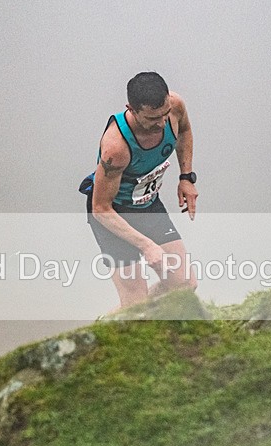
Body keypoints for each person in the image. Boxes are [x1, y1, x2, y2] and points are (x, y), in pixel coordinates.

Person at [80, 72, 199, 309]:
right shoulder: (116, 148)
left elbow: (184, 131)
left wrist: (186, 177)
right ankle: (127, 318)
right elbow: (100, 208)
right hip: (112, 214)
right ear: (132, 110)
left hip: (147, 205)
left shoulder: (174, 106)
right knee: (136, 302)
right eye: (153, 118)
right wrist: (146, 245)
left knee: (185, 284)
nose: (162, 123)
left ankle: (129, 316)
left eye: (165, 114)